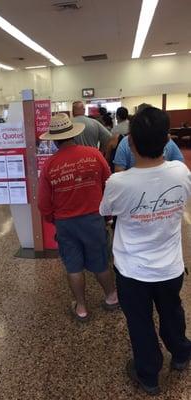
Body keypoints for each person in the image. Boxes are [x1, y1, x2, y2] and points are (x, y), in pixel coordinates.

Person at [99, 107, 191, 395]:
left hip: (132, 270)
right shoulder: (181, 171)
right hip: (170, 267)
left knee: (140, 322)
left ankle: (149, 375)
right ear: (167, 140)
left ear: (131, 144)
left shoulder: (118, 183)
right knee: (172, 312)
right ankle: (181, 354)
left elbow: (106, 211)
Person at [38, 113, 118, 322]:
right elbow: (109, 186)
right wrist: (107, 215)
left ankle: (81, 308)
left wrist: (52, 219)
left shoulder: (49, 165)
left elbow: (43, 203)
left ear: (54, 140)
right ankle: (111, 297)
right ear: (73, 133)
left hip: (66, 223)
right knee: (100, 262)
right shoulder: (94, 155)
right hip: (93, 219)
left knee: (73, 266)